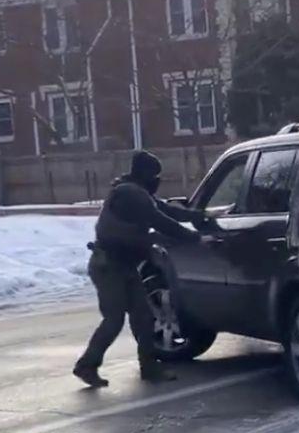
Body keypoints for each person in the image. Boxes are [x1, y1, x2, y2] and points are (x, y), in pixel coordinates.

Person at [73, 150, 210, 387]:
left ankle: (149, 367)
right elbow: (160, 220)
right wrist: (193, 238)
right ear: (145, 174)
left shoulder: (136, 191)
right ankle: (86, 365)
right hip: (109, 266)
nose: (158, 180)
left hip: (124, 264)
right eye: (155, 175)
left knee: (143, 317)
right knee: (114, 320)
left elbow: (166, 209)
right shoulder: (129, 194)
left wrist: (195, 216)